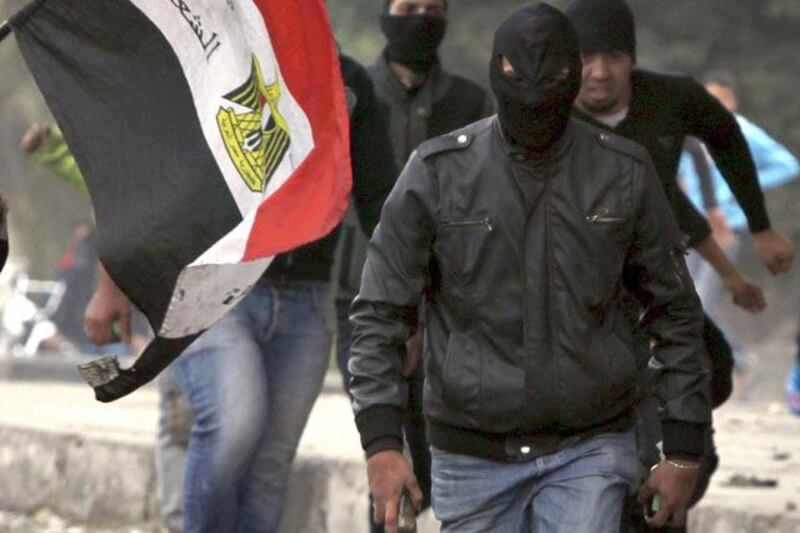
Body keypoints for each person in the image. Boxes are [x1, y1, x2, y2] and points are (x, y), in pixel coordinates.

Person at [349, 4, 711, 532]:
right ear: (499, 74)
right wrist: (382, 445)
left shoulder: (624, 173)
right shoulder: (437, 173)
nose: (534, 100)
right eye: (521, 79)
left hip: (590, 446)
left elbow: (675, 312)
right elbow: (379, 314)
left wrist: (682, 449)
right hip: (470, 454)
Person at [82, 53, 396, 532]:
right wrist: (110, 283)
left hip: (307, 298)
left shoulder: (346, 80)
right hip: (215, 287)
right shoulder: (207, 53)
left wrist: (410, 301)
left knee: (269, 466)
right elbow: (138, 175)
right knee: (233, 424)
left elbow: (382, 204)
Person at [562, 0, 794, 530]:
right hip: (579, 311)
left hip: (658, 301)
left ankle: (664, 507)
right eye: (584, 58)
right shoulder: (548, 114)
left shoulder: (670, 99)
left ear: (632, 61)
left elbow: (718, 150)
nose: (598, 73)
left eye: (613, 57)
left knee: (694, 432)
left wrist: (756, 233)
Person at [332, 1, 493, 530]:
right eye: (407, 6)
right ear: (385, 13)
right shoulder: (349, 92)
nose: (419, 18)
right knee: (385, 438)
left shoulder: (471, 101)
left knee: (434, 442)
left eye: (432, 8)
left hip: (450, 298)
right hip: (360, 290)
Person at [21, 123, 187, 533]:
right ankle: (179, 520)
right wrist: (53, 150)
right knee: (177, 415)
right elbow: (102, 177)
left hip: (172, 287)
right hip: (126, 298)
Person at [679, 70, 799, 393]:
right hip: (690, 229)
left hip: (724, 230)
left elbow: (788, 164)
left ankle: (739, 359)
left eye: (717, 98)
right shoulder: (695, 133)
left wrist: (742, 188)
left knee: (700, 303)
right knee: (680, 300)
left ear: (731, 100)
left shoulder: (743, 131)